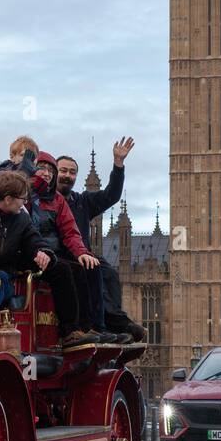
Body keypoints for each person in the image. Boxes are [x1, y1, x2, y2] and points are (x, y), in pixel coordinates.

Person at [0, 170, 99, 349]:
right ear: (8, 199)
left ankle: (70, 332)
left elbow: (33, 238)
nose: (25, 203)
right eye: (22, 198)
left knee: (62, 269)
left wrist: (42, 252)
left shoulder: (20, 217)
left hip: (7, 269)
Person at [56, 139, 146, 343]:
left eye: (71, 172)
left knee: (110, 273)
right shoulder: (48, 201)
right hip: (63, 256)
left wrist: (118, 165)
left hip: (84, 255)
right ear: (54, 172)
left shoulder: (81, 201)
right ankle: (100, 326)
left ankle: (115, 324)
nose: (67, 175)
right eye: (63, 171)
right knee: (91, 270)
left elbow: (111, 195)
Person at [29, 153, 118, 344]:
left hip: (52, 254)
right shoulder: (25, 194)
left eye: (49, 170)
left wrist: (82, 252)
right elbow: (24, 227)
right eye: (41, 168)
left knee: (89, 266)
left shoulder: (58, 200)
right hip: (31, 251)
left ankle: (90, 328)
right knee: (64, 270)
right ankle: (69, 330)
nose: (45, 173)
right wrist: (38, 249)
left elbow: (70, 231)